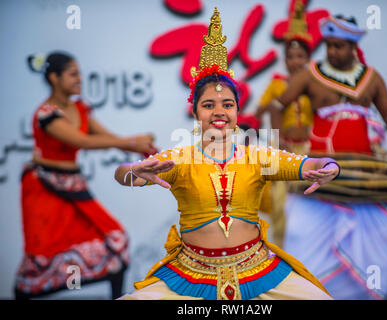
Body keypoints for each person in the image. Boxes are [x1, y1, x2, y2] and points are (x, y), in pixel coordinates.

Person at [114, 7, 339, 300]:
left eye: (228, 105)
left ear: (237, 110)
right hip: (191, 272)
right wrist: (132, 170)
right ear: (195, 112)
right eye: (208, 105)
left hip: (258, 271)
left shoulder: (257, 156)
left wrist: (331, 165)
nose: (219, 112)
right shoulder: (180, 158)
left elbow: (308, 162)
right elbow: (125, 174)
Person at [259, 15, 387, 299]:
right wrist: (278, 143)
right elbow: (277, 104)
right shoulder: (311, 73)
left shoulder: (371, 79)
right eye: (329, 45)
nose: (332, 51)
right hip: (319, 175)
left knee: (380, 233)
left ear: (353, 46)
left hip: (361, 178)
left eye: (339, 46)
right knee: (300, 234)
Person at [14, 51, 156, 300]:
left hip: (74, 187)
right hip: (43, 190)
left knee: (116, 241)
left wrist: (142, 149)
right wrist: (131, 142)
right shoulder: (46, 113)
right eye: (72, 74)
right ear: (54, 78)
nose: (80, 78)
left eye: (79, 73)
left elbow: (106, 136)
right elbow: (82, 141)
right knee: (42, 257)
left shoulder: (81, 107)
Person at [255, 0, 316, 247]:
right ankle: (279, 254)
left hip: (310, 149)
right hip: (282, 147)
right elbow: (262, 108)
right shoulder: (278, 86)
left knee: (309, 205)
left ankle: (307, 257)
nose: (295, 61)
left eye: (300, 56)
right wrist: (274, 107)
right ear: (285, 59)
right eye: (290, 56)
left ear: (308, 58)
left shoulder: (315, 86)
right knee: (280, 204)